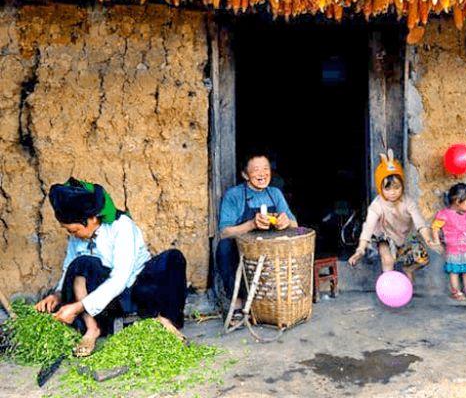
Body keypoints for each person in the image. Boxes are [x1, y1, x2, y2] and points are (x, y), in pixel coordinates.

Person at [35, 178, 187, 357]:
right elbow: (69, 267)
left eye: (74, 230)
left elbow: (120, 279)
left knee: (173, 258)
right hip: (107, 302)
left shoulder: (121, 226)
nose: (73, 235)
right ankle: (92, 329)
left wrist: (76, 308)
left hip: (138, 289)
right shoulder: (77, 238)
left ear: (91, 218)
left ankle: (165, 320)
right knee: (80, 263)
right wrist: (57, 294)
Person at [216, 152, 297, 324]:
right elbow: (224, 232)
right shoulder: (234, 195)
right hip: (243, 250)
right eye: (256, 170)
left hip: (270, 249)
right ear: (245, 174)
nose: (262, 174)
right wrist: (252, 224)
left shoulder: (274, 193)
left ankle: (273, 303)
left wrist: (285, 222)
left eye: (266, 169)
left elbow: (295, 224)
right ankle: (237, 303)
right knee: (224, 248)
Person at [348, 150, 437, 284]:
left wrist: (428, 239)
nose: (393, 193)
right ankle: (388, 288)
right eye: (387, 189)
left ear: (402, 186)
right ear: (380, 188)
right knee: (388, 259)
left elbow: (420, 222)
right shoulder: (377, 204)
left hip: (405, 236)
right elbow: (368, 227)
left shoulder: (408, 202)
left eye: (397, 187)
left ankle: (408, 271)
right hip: (384, 236)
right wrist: (360, 250)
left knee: (421, 259)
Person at [430, 183, 466, 301]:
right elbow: (435, 227)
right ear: (458, 201)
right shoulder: (445, 214)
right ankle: (456, 291)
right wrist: (436, 241)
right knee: (454, 271)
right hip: (454, 249)